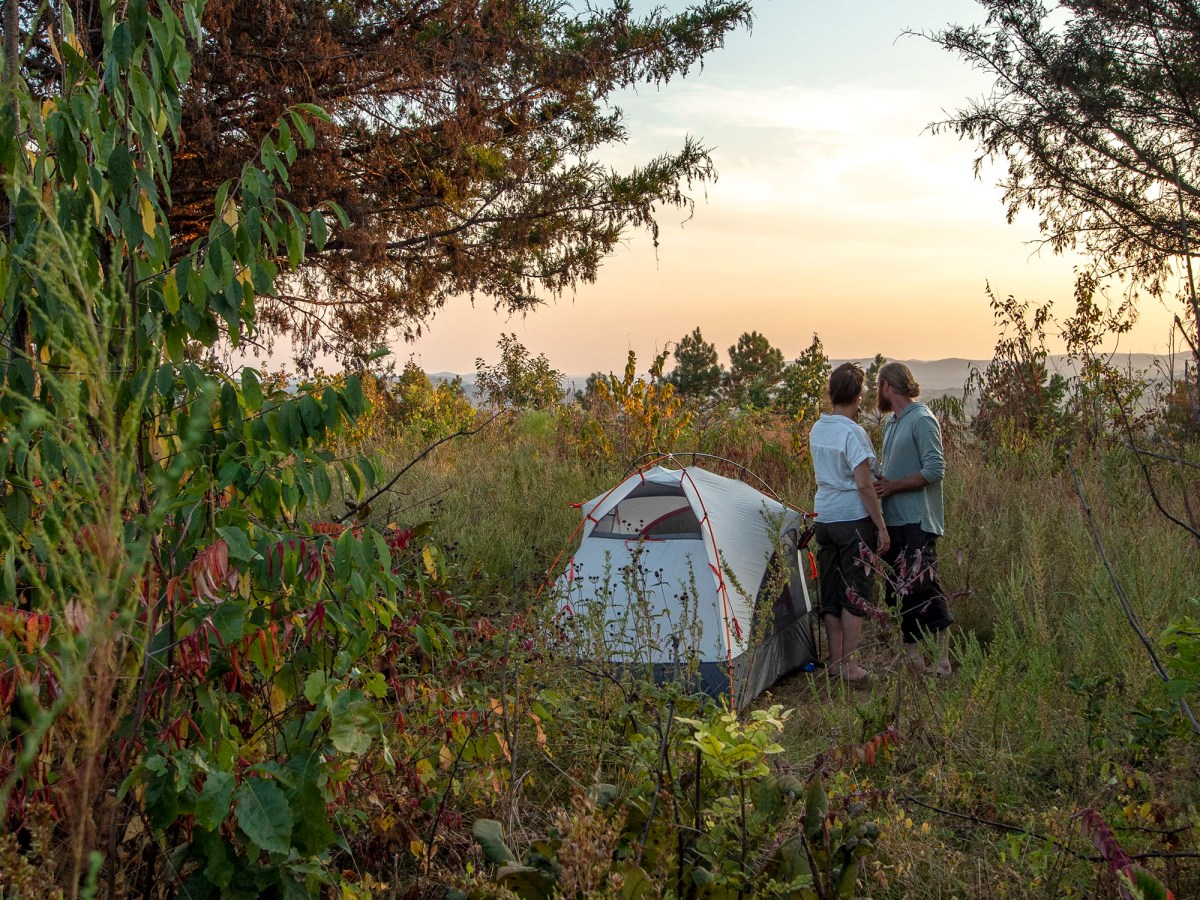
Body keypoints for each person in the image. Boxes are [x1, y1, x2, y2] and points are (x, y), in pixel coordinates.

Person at [808, 362, 890, 682]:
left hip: (824, 518)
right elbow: (864, 484)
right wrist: (880, 525)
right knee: (855, 591)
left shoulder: (818, 428)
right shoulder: (854, 433)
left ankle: (835, 661)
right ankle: (850, 665)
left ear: (831, 393)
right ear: (858, 396)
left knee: (831, 591)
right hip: (853, 519)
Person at [874, 361, 953, 676]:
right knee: (899, 591)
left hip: (917, 521)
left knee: (925, 589)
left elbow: (935, 469)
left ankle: (943, 661)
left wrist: (893, 485)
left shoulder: (922, 419)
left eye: (879, 386)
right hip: (894, 522)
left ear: (888, 387)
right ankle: (914, 662)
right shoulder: (893, 423)